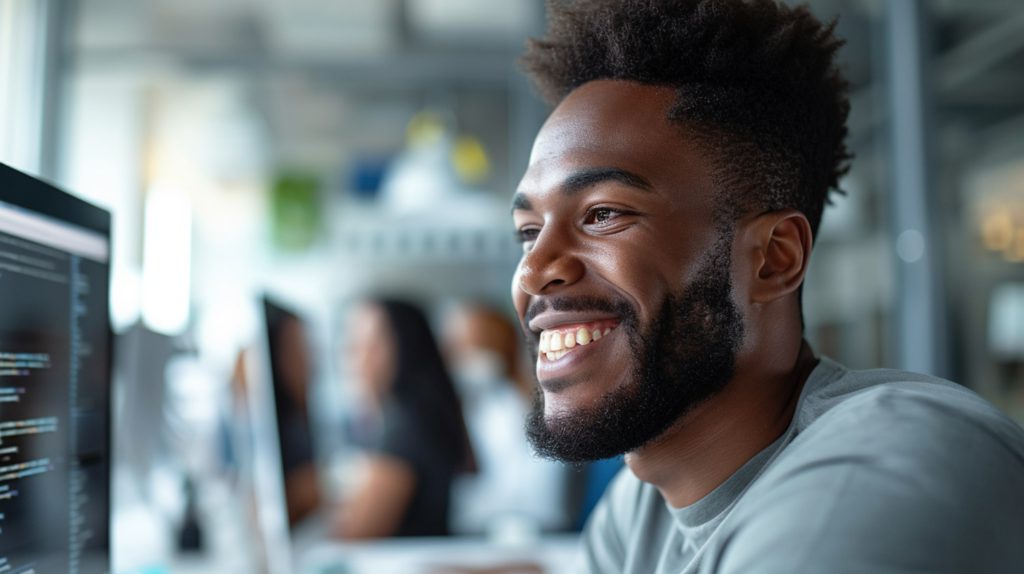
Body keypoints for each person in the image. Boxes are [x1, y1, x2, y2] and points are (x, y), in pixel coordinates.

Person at [508, 1, 1024, 572]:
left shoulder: (892, 462)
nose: (533, 270)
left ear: (774, 260)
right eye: (528, 232)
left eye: (603, 214)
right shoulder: (639, 512)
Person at [335, 298, 475, 538]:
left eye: (369, 344)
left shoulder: (405, 426)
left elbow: (356, 535)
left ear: (405, 348)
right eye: (353, 344)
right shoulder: (418, 412)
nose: (354, 357)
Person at [443, 302, 572, 535]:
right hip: (479, 527)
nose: (462, 356)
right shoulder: (475, 403)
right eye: (457, 346)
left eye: (475, 344)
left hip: (534, 527)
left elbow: (537, 493)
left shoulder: (523, 403)